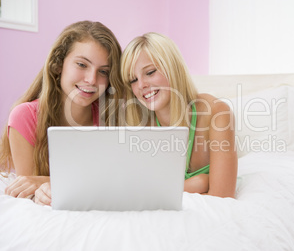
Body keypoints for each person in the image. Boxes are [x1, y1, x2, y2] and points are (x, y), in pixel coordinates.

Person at [0, 21, 123, 205]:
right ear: (58, 65)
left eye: (103, 71)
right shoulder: (24, 117)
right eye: (82, 64)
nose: (91, 79)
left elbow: (114, 181)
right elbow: (28, 187)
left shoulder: (111, 117)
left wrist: (45, 180)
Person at [120, 32, 238, 198]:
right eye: (133, 80)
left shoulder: (217, 114)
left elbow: (223, 195)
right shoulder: (141, 125)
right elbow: (140, 191)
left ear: (173, 67)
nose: (141, 85)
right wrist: (200, 183)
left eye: (150, 72)